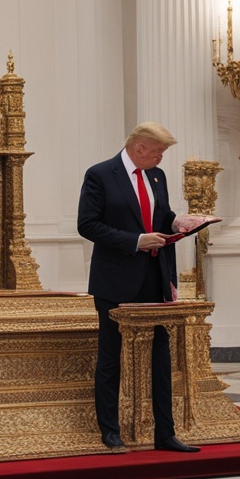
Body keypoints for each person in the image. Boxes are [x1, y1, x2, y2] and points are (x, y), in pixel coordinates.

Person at [77, 122, 210, 453]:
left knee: (161, 356)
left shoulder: (157, 176)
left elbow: (160, 216)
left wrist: (179, 222)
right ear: (139, 148)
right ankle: (110, 431)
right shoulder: (100, 175)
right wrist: (136, 240)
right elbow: (87, 225)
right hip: (115, 279)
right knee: (111, 356)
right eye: (158, 152)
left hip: (154, 276)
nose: (161, 158)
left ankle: (165, 434)